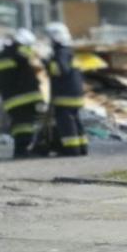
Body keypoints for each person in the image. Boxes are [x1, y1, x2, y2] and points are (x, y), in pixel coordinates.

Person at [0, 29, 45, 159]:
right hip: (27, 97)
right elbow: (32, 58)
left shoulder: (2, 55)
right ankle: (22, 150)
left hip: (10, 99)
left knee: (18, 123)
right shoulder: (21, 51)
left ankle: (20, 149)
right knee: (26, 124)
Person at [44, 22, 87, 156]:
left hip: (65, 96)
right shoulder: (69, 51)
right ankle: (82, 149)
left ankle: (72, 151)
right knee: (76, 121)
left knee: (67, 124)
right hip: (75, 94)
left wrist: (46, 63)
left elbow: (61, 70)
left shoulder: (60, 52)